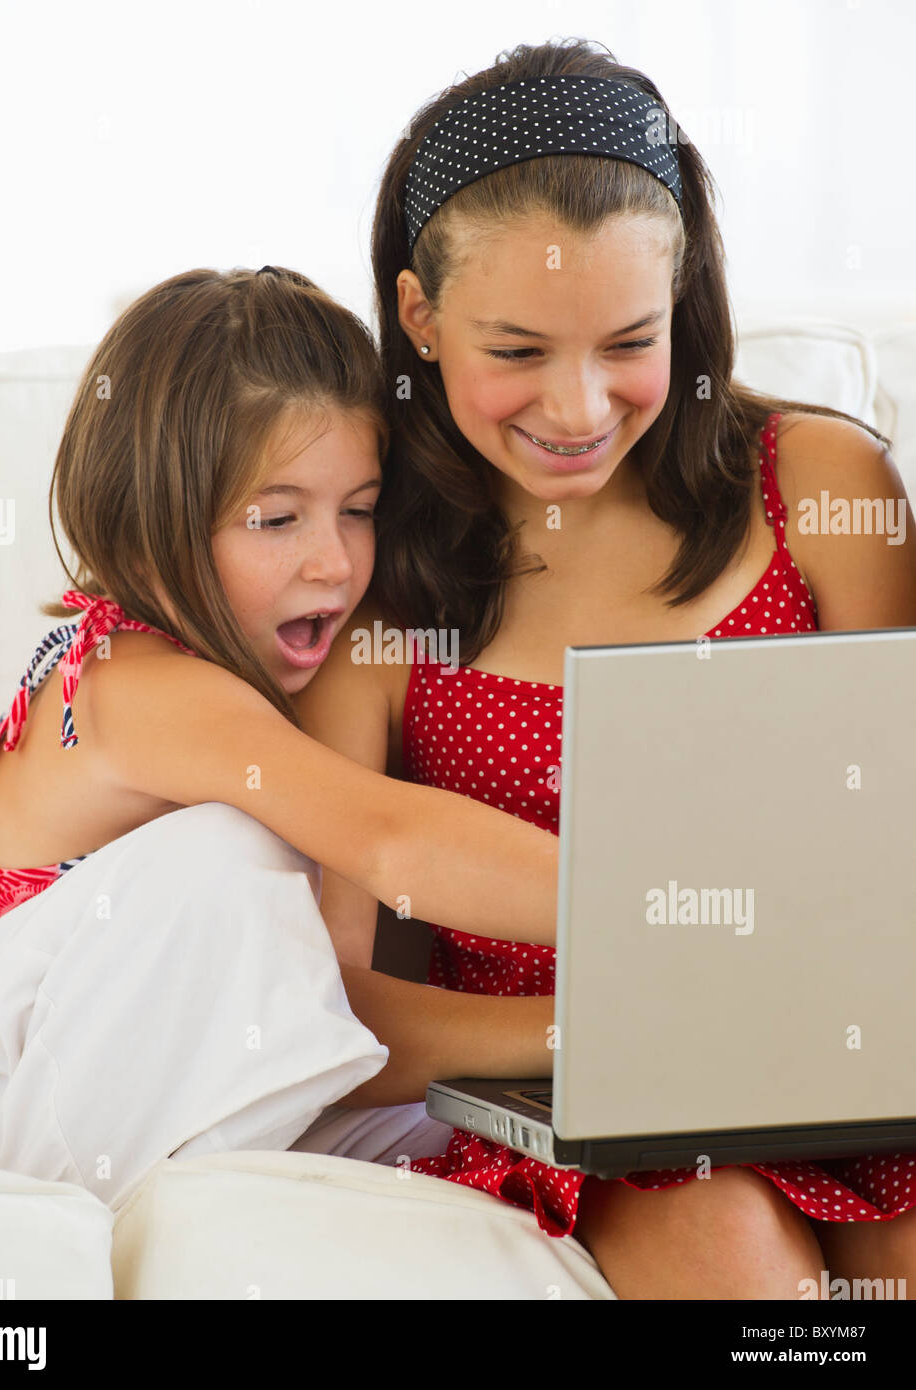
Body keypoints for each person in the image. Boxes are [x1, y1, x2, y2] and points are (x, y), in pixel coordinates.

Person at [290, 39, 916, 1298]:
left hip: (849, 1059)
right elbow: (329, 1011)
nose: (575, 410)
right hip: (586, 1107)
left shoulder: (823, 490)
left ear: (679, 300)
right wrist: (645, 1039)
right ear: (418, 315)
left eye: (626, 342)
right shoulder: (380, 587)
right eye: (515, 351)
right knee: (728, 1250)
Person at [0, 264, 559, 1204]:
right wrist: (647, 915)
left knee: (449, 1132)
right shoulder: (141, 686)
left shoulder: (260, 690)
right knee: (225, 856)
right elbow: (390, 837)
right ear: (148, 522)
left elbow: (325, 1002)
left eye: (359, 511)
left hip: (86, 1074)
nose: (332, 561)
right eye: (277, 518)